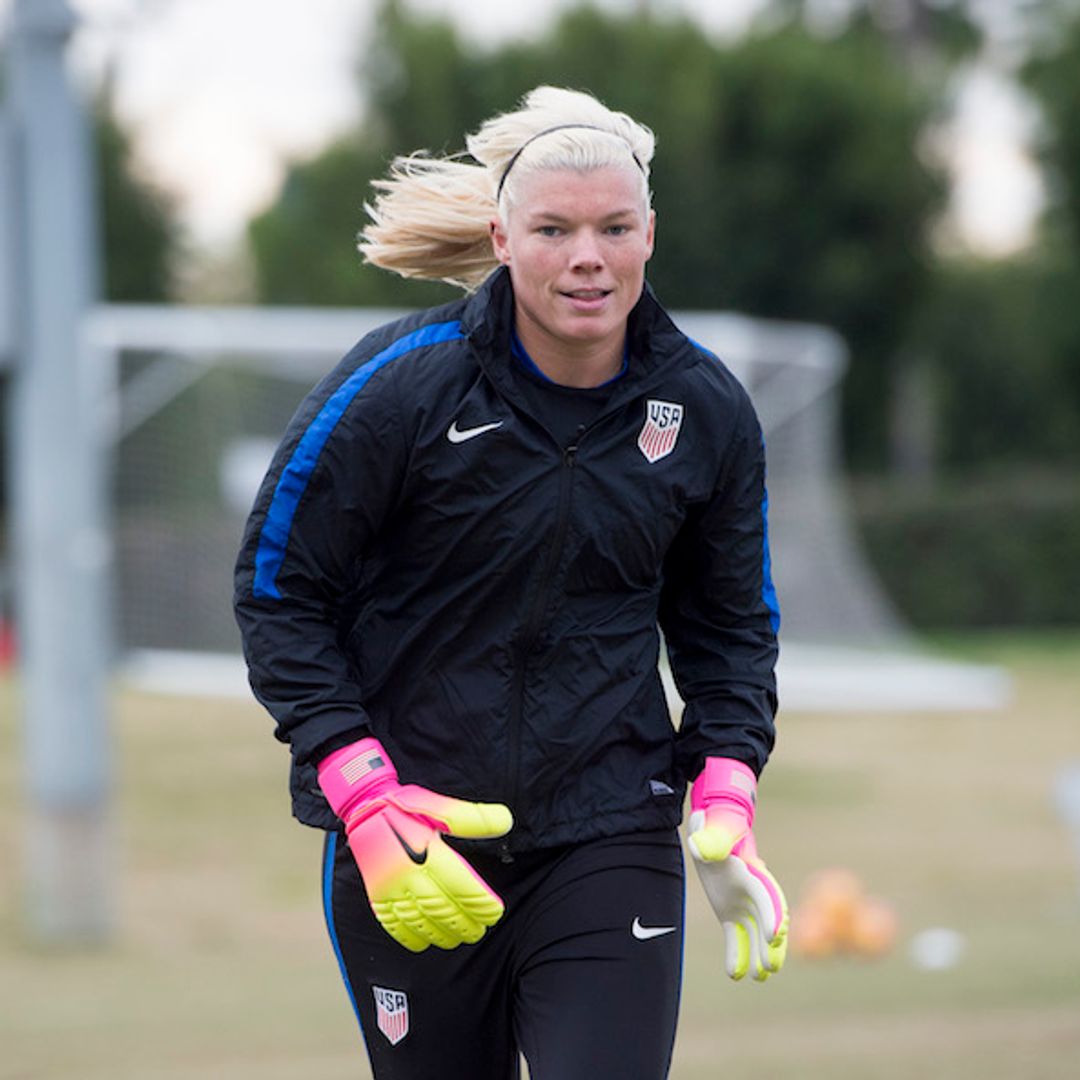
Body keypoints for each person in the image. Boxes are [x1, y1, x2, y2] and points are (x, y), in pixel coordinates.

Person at [234, 85, 788, 1080]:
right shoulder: (398, 387)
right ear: (500, 236)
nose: (588, 256)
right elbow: (279, 592)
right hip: (412, 837)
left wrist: (727, 785)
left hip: (610, 829)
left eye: (615, 228)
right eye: (555, 229)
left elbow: (732, 631)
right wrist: (363, 794)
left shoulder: (705, 411)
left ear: (650, 235)